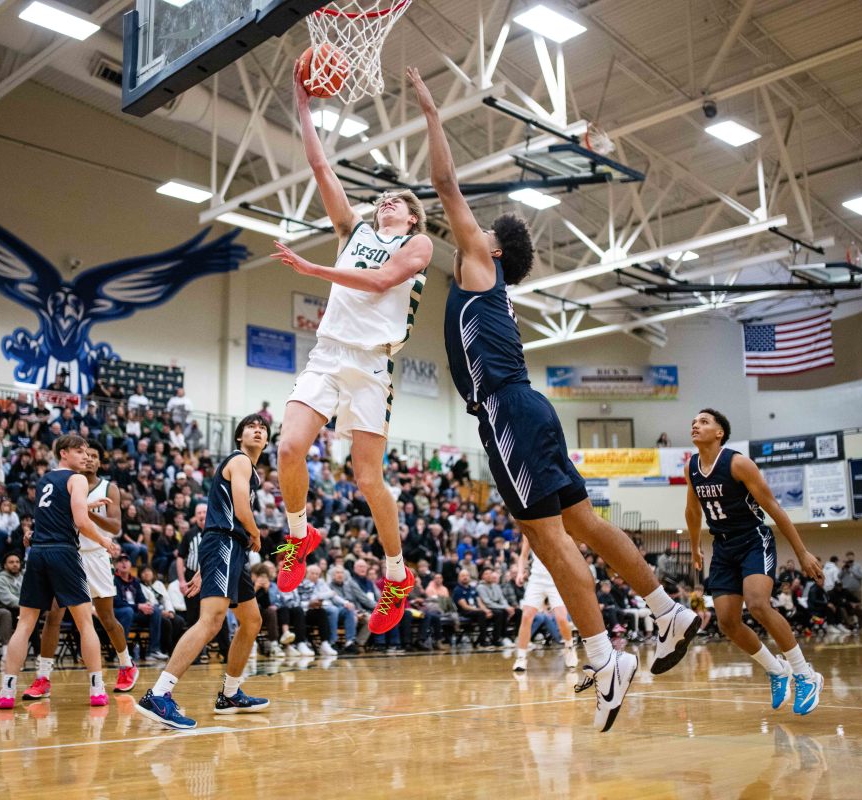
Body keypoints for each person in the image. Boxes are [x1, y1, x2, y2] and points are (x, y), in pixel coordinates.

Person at [407, 67, 697, 732]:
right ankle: (666, 609)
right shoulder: (491, 288)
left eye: (473, 235)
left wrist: (430, 113)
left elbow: (445, 185)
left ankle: (604, 659)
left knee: (547, 537)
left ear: (494, 247)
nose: (461, 238)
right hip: (527, 407)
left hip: (508, 410)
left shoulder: (482, 264)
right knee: (586, 527)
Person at [266, 59, 435, 640]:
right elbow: (319, 164)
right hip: (328, 353)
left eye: (397, 199)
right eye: (382, 197)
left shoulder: (418, 245)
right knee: (287, 445)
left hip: (371, 366)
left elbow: (383, 281)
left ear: (412, 215)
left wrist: (314, 268)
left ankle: (395, 573)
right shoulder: (353, 231)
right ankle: (298, 532)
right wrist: (303, 103)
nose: (386, 201)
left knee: (368, 480)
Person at [685, 408, 826, 716]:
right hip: (722, 548)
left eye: (704, 421)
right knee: (727, 622)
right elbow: (693, 511)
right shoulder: (692, 467)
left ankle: (804, 675)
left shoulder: (737, 463)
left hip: (752, 539)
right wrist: (696, 546)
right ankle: (776, 670)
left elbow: (773, 506)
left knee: (759, 604)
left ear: (719, 432)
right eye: (694, 422)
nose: (696, 425)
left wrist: (801, 552)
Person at [138, 414, 272, 729]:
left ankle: (230, 693)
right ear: (240, 437)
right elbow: (240, 509)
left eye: (262, 428)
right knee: (211, 621)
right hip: (226, 543)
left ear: (267, 440)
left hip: (231, 549)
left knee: (252, 621)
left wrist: (214, 562)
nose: (257, 430)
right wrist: (256, 533)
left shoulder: (251, 471)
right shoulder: (239, 460)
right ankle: (159, 694)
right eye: (251, 426)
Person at [0, 434, 120, 710]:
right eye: (79, 451)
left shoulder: (44, 480)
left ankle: (6, 692)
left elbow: (54, 512)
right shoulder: (77, 479)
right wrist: (105, 541)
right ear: (64, 453)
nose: (85, 456)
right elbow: (79, 521)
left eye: (88, 452)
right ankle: (97, 689)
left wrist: (85, 505)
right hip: (63, 552)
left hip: (38, 553)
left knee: (25, 625)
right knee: (85, 623)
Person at [23, 439, 136, 700]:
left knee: (107, 619)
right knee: (53, 616)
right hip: (66, 554)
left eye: (93, 455)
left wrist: (84, 512)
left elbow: (115, 527)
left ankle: (126, 665)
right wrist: (35, 533)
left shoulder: (109, 488)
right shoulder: (64, 482)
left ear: (99, 461)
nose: (88, 458)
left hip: (96, 555)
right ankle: (43, 676)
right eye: (85, 453)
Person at [512, 537, 577, 673]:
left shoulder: (557, 525)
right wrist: (519, 572)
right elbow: (523, 555)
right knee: (526, 617)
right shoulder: (529, 528)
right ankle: (521, 657)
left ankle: (570, 647)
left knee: (561, 618)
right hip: (536, 579)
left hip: (556, 578)